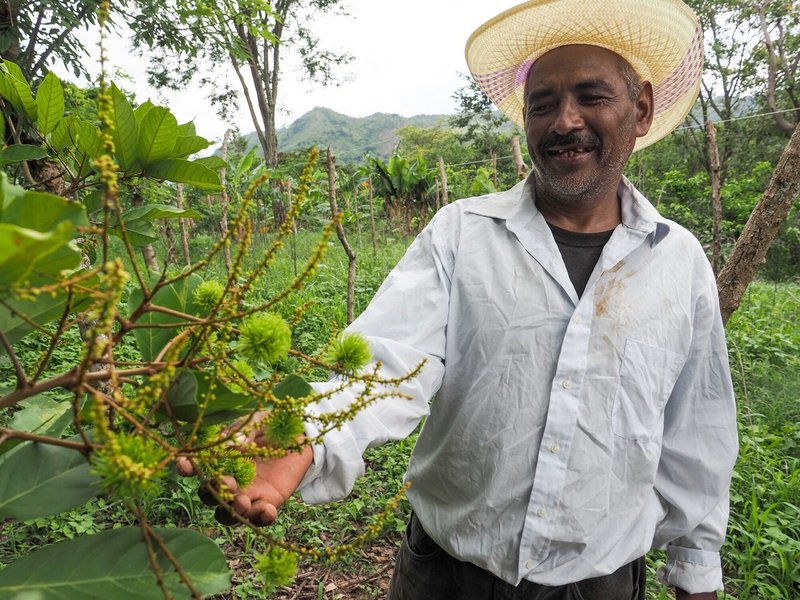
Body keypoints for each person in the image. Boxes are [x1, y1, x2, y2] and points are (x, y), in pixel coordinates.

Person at [179, 1, 738, 598]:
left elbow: (696, 429)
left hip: (601, 580)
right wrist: (308, 432)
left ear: (642, 109)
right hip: (447, 575)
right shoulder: (461, 233)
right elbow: (386, 362)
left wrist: (697, 569)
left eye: (592, 96)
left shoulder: (679, 264)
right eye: (542, 103)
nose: (564, 121)